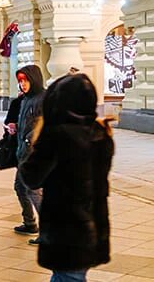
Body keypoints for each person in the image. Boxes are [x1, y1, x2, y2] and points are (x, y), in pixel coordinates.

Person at [20, 73, 113, 281]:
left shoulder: (57, 135)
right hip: (92, 225)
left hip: (66, 230)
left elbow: (31, 177)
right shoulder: (100, 133)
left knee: (69, 277)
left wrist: (38, 141)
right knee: (70, 276)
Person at [9, 64, 46, 237]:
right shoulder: (25, 99)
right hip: (24, 152)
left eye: (25, 80)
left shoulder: (42, 99)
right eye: (20, 81)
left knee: (33, 190)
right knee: (20, 187)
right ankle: (30, 222)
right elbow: (28, 123)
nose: (22, 84)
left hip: (36, 154)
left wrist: (29, 139)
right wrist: (15, 128)